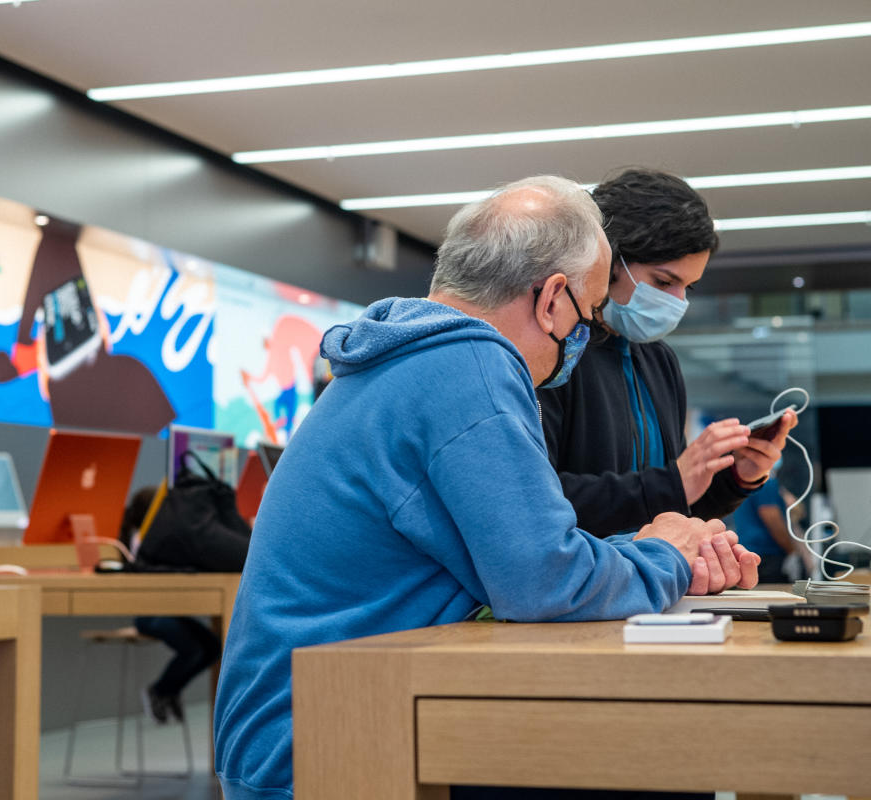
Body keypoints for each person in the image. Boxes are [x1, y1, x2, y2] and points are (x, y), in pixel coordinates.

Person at [213, 176, 759, 800]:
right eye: (585, 317)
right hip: (329, 737)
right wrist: (665, 550)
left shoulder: (409, 357)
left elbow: (526, 556)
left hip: (310, 718)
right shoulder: (470, 368)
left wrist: (650, 548)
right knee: (656, 764)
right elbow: (546, 580)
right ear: (553, 298)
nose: (584, 340)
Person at [538, 168, 796, 538]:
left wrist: (735, 476)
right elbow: (536, 500)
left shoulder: (658, 361)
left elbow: (676, 506)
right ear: (607, 258)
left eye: (687, 286)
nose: (678, 302)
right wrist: (672, 482)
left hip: (654, 580)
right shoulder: (553, 353)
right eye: (663, 281)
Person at [120, 487, 223, 724]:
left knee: (213, 646)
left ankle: (170, 689)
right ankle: (160, 690)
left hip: (169, 610)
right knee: (194, 649)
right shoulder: (143, 540)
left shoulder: (155, 538)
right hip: (149, 614)